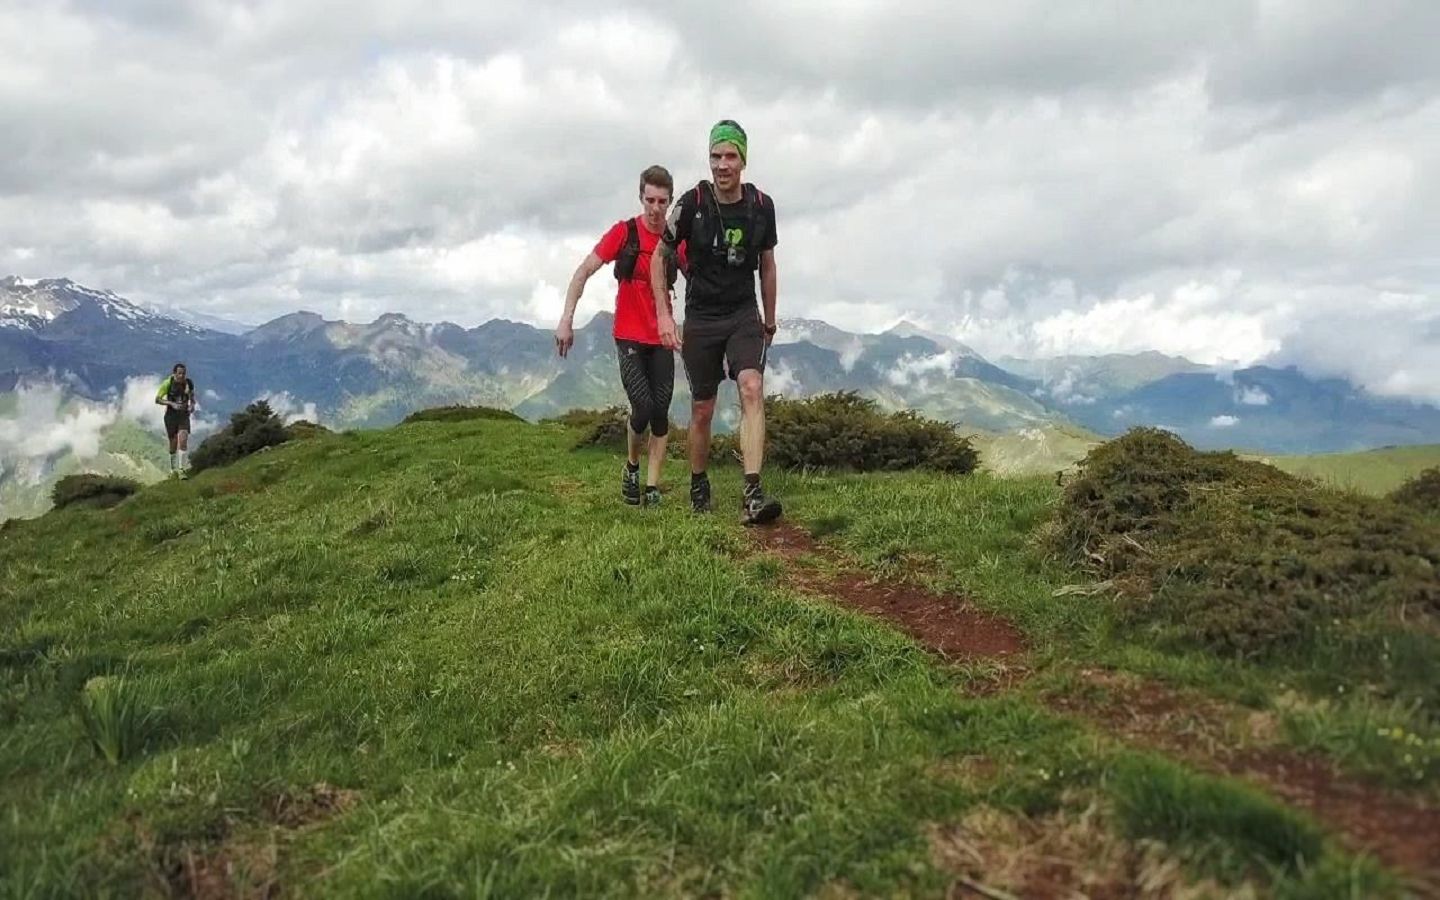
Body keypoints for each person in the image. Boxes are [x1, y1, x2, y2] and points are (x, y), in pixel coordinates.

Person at [651, 119, 782, 525]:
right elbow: (660, 257)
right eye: (716, 156)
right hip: (703, 317)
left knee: (751, 387)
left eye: (730, 156)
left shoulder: (762, 207)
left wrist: (770, 319)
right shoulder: (691, 204)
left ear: (743, 159)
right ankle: (698, 482)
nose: (722, 164)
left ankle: (753, 494)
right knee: (703, 408)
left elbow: (767, 265)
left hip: (743, 313)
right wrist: (664, 315)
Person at [556, 165, 687, 506]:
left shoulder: (674, 240)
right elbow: (584, 270)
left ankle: (653, 487)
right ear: (641, 197)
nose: (656, 208)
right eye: (650, 200)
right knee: (642, 407)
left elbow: (698, 273)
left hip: (661, 337)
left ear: (670, 201)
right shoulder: (624, 233)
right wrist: (566, 320)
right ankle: (632, 465)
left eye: (662, 201)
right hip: (628, 334)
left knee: (661, 412)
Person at [155, 362, 196, 478]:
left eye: (183, 373)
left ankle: (182, 470)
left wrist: (192, 406)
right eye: (179, 373)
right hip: (171, 416)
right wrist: (171, 403)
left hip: (183, 415)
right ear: (174, 374)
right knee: (173, 443)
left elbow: (192, 398)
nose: (182, 376)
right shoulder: (168, 383)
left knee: (183, 440)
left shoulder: (189, 383)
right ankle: (173, 470)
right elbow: (157, 399)